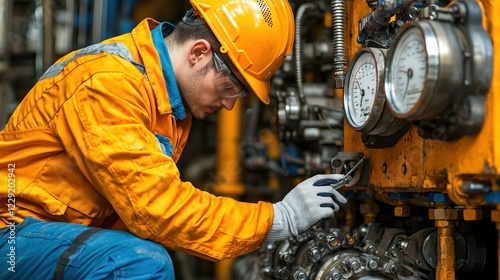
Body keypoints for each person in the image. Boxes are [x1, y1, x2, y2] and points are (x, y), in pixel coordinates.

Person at [0, 0, 347, 279]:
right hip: (11, 239)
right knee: (137, 263)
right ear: (198, 53)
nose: (228, 105)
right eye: (229, 88)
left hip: (50, 235)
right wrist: (278, 218)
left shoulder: (165, 102)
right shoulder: (109, 85)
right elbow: (159, 211)